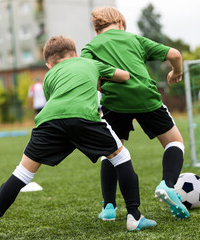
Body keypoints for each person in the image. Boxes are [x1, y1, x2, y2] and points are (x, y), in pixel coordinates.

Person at [0, 35, 156, 240]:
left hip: (49, 121)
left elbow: (57, 102)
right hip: (85, 118)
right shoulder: (90, 63)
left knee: (22, 173)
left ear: (48, 64)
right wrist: (100, 77)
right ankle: (134, 217)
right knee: (121, 157)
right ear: (75, 53)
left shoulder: (48, 77)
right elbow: (124, 76)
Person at [81, 7, 189, 220]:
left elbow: (90, 76)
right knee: (174, 142)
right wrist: (176, 72)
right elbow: (175, 54)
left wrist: (103, 88)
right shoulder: (134, 39)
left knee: (112, 152)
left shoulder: (90, 47)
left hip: (114, 102)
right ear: (121, 23)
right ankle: (167, 184)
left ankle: (109, 207)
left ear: (96, 29)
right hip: (145, 96)